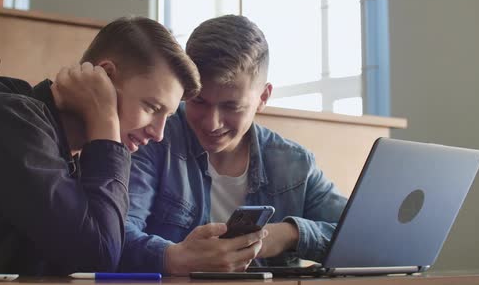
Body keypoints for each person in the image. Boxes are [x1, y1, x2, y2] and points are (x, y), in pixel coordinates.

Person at [0, 17, 201, 275]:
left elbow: (106, 246)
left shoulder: (62, 145)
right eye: (152, 107)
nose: (159, 133)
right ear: (105, 77)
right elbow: (98, 257)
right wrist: (105, 121)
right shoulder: (8, 118)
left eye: (167, 116)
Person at [120, 15, 347, 275]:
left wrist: (289, 234)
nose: (212, 123)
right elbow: (114, 234)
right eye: (198, 101)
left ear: (263, 97)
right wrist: (171, 258)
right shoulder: (153, 140)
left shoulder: (294, 164)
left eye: (231, 106)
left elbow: (363, 233)